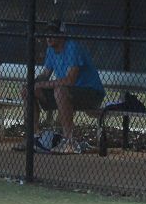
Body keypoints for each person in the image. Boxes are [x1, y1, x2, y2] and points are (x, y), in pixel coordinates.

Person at [30, 22, 104, 154]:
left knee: (60, 91)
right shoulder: (50, 50)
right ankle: (33, 138)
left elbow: (70, 80)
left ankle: (68, 142)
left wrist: (42, 84)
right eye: (47, 34)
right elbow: (45, 74)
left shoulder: (72, 47)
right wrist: (33, 84)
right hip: (68, 93)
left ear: (62, 35)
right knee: (28, 91)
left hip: (91, 93)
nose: (49, 37)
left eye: (53, 34)